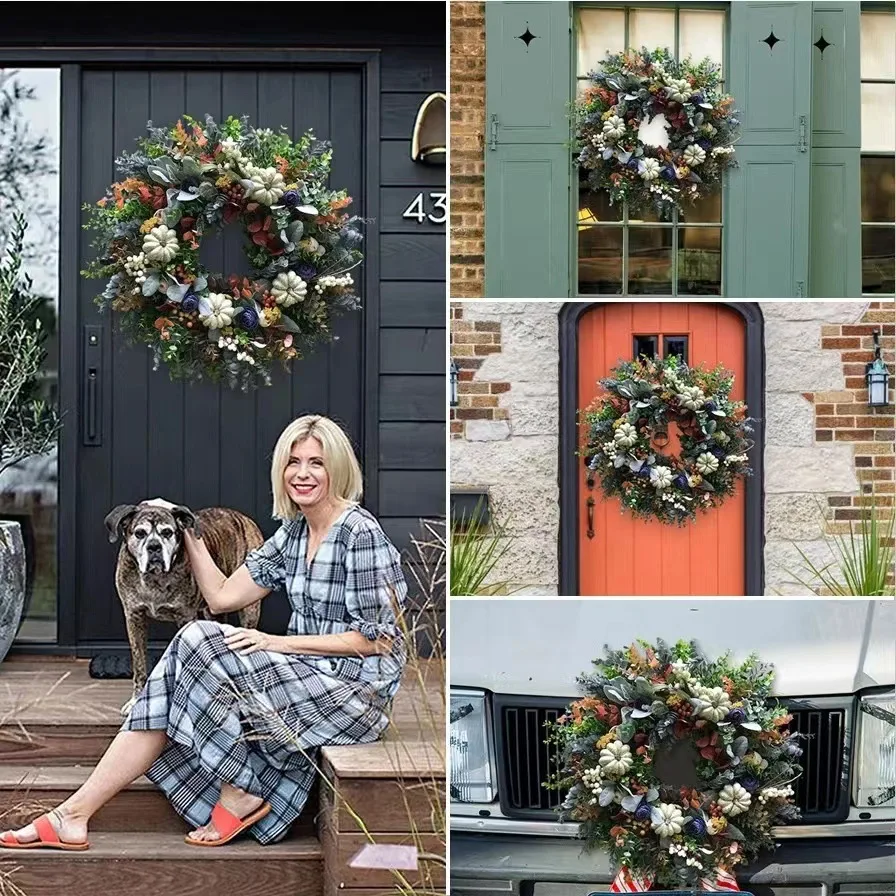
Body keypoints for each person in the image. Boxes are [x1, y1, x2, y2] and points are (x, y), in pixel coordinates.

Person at [0, 414, 407, 849]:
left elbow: (380, 639)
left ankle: (232, 792)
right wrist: (181, 526)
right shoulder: (294, 533)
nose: (302, 474)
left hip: (354, 693)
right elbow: (220, 597)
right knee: (191, 646)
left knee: (196, 640)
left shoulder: (360, 534)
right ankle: (74, 814)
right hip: (305, 674)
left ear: (339, 468)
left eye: (316, 463)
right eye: (293, 462)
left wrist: (276, 642)